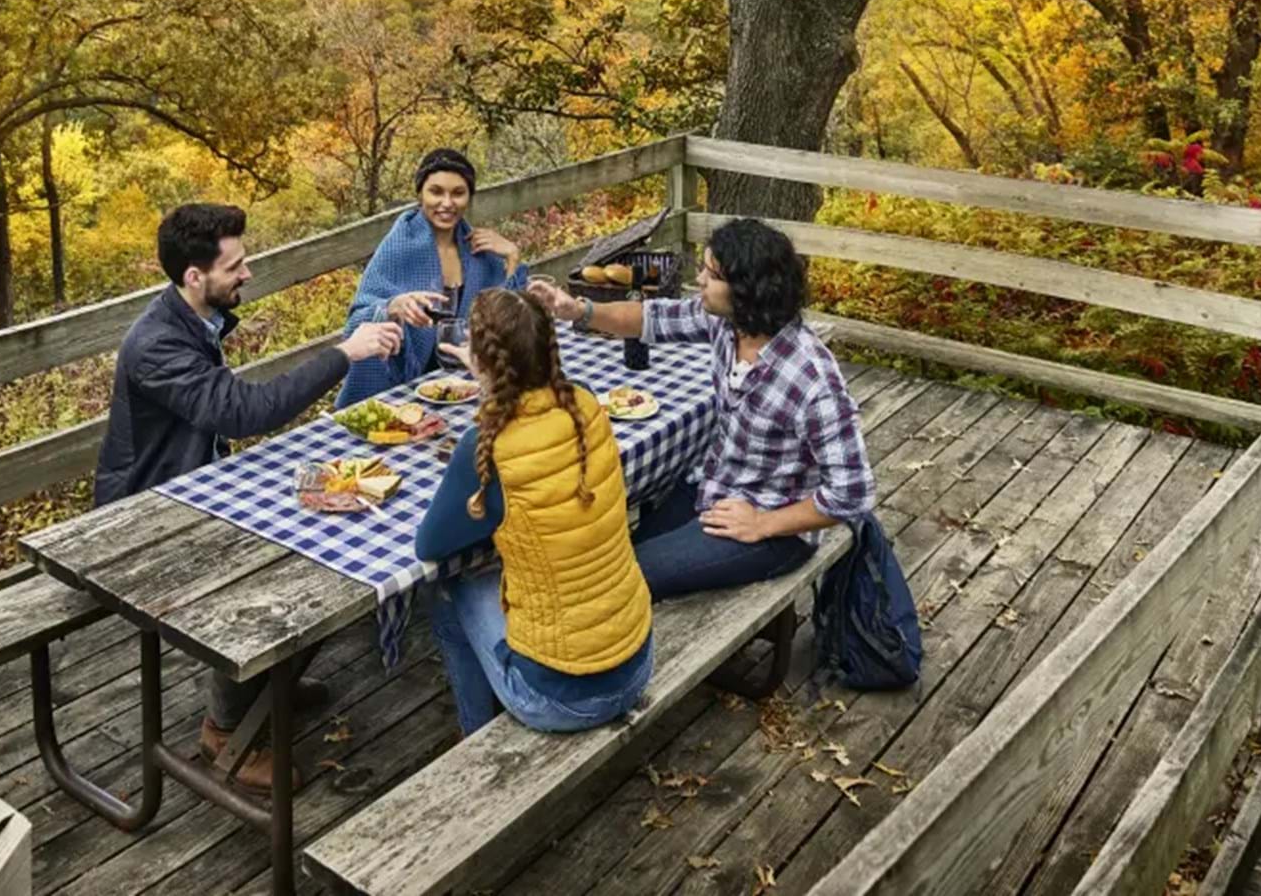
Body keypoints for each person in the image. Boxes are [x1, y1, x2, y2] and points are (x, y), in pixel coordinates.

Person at [93, 202, 404, 791]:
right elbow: (241, 413)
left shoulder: (194, 318)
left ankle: (268, 685)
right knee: (285, 573)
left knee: (334, 532)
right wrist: (346, 352)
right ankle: (226, 730)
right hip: (146, 516)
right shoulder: (156, 343)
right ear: (194, 276)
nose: (248, 274)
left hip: (200, 487)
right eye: (236, 265)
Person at [528, 217, 875, 599]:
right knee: (609, 555)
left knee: (620, 581)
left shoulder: (810, 377)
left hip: (774, 528)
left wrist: (763, 523)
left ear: (748, 289)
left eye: (713, 274)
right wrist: (579, 311)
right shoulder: (727, 323)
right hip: (712, 487)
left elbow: (853, 493)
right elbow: (652, 319)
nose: (702, 281)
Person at [413, 287, 654, 735]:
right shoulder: (585, 405)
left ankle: (476, 740)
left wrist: (486, 390)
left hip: (560, 698)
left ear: (482, 362)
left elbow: (429, 544)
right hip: (637, 659)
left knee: (449, 586)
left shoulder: (488, 446)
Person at [335, 148, 526, 408]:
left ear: (469, 196)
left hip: (463, 387)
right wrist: (392, 307)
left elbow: (513, 321)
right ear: (420, 194)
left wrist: (513, 256)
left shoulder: (479, 252)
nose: (447, 203)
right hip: (399, 392)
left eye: (458, 193)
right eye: (436, 191)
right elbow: (356, 321)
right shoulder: (399, 248)